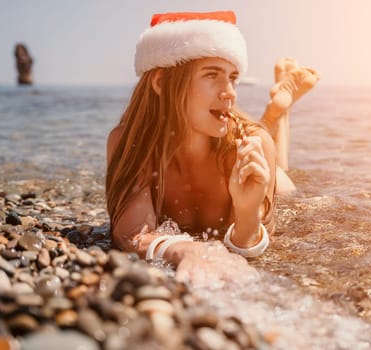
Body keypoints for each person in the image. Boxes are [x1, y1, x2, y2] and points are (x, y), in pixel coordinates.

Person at [106, 11, 319, 285]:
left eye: (232, 77)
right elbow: (130, 233)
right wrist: (186, 249)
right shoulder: (131, 142)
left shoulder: (248, 142)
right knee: (270, 158)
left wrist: (247, 213)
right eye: (211, 75)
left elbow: (254, 243)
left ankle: (279, 114)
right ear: (160, 83)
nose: (229, 91)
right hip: (242, 138)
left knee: (283, 178)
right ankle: (276, 113)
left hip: (255, 146)